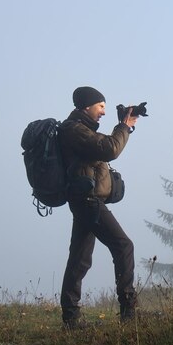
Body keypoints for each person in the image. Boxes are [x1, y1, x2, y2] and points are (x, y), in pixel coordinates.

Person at [58, 86, 139, 328]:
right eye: (100, 106)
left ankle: (71, 318)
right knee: (123, 245)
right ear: (86, 106)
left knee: (80, 258)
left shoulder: (80, 130)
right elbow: (110, 149)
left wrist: (125, 125)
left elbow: (105, 145)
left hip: (87, 201)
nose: (103, 111)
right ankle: (128, 312)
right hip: (87, 201)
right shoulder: (74, 130)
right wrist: (123, 126)